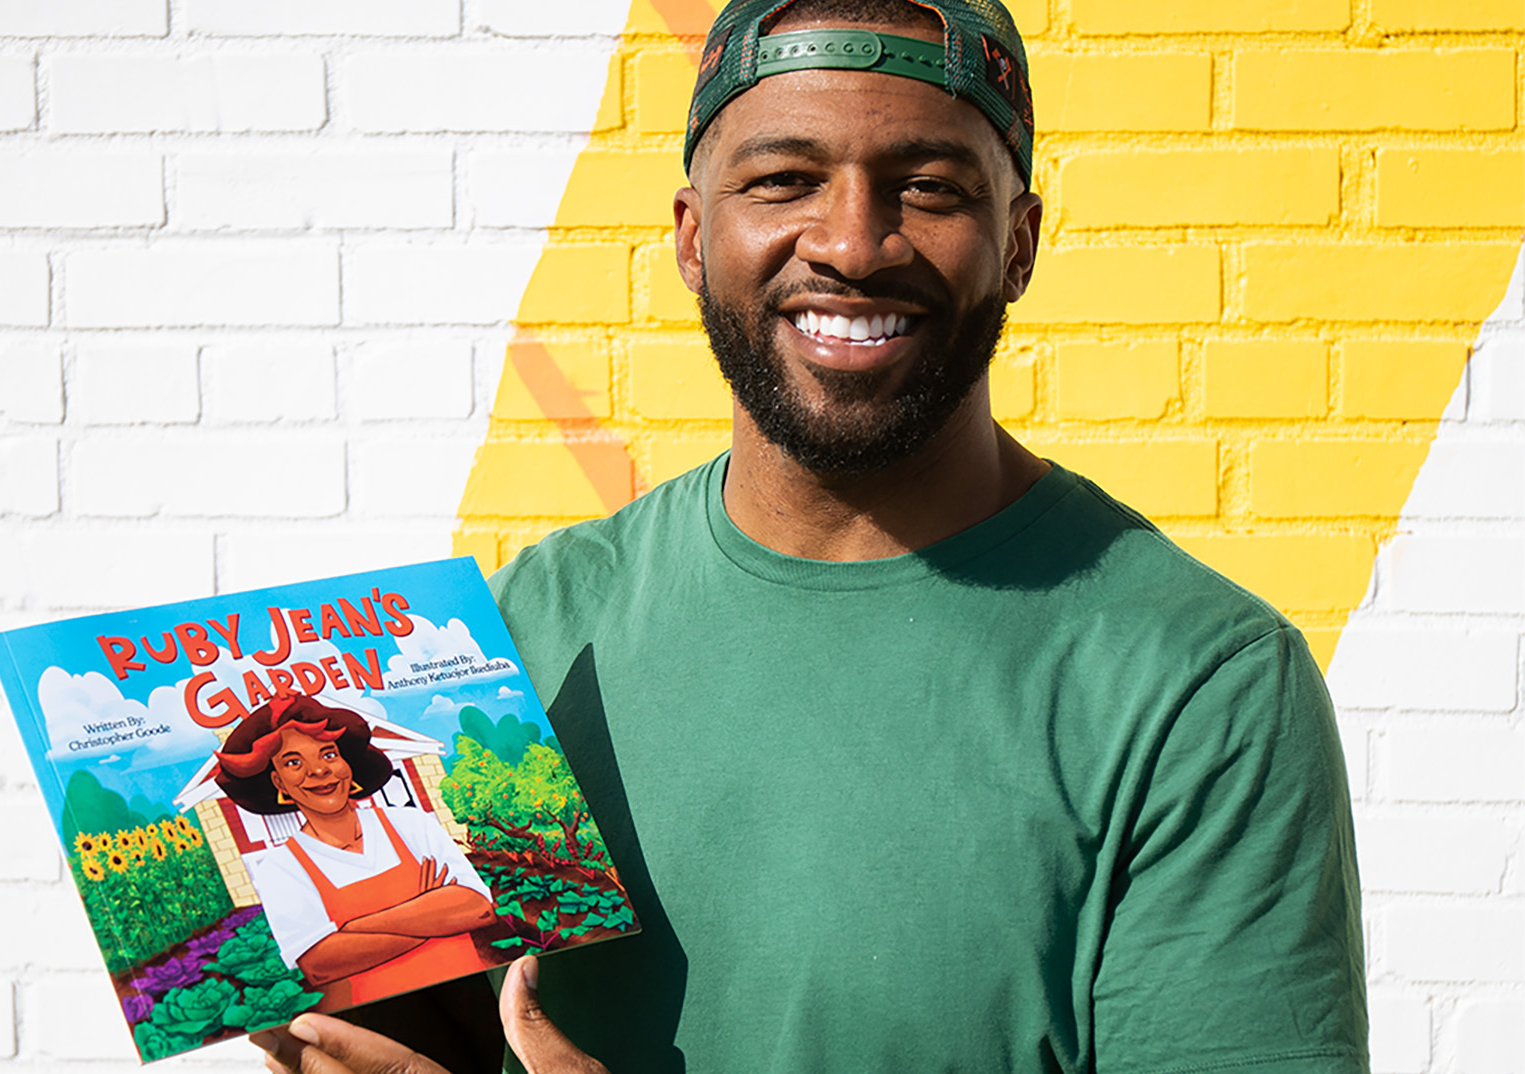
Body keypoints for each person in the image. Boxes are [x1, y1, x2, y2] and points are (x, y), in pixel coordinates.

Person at [252, 0, 1368, 1071]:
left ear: (1019, 243)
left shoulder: (1197, 687)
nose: (850, 242)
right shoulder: (523, 633)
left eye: (927, 186)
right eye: (783, 180)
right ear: (693, 238)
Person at [216, 693, 495, 1010]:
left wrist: (352, 927)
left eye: (329, 754)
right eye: (294, 762)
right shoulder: (281, 868)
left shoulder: (409, 823)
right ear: (278, 782)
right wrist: (433, 914)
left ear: (346, 763)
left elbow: (478, 909)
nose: (319, 771)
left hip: (476, 995)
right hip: (379, 1021)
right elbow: (320, 964)